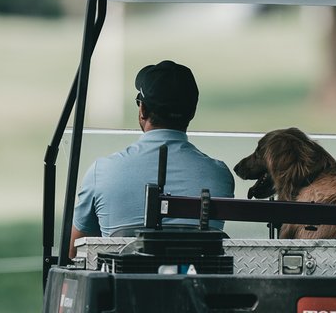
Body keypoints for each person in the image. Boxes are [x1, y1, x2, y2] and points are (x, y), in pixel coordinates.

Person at [70, 60, 234, 257]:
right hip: (197, 286)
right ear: (192, 112)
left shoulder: (102, 171)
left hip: (123, 287)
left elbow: (74, 254)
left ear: (143, 110)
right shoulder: (219, 175)